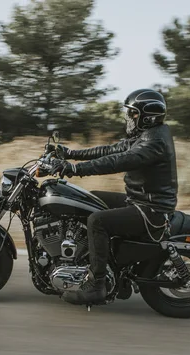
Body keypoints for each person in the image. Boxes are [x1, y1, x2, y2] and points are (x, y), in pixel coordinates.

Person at [49, 88, 179, 305]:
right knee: (91, 199)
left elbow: (117, 161)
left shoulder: (153, 143)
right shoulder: (149, 134)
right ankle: (93, 260)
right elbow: (112, 150)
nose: (129, 118)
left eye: (133, 114)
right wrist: (71, 154)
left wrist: (74, 169)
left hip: (149, 211)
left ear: (148, 116)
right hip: (138, 201)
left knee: (96, 221)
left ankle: (96, 285)